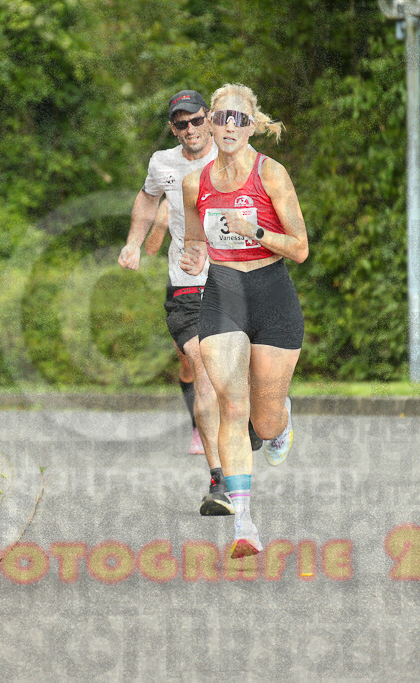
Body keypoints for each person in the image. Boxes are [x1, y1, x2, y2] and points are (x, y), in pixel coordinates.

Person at [180, 83, 309, 559]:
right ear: (210, 124)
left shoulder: (271, 174)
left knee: (265, 420)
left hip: (272, 292)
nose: (229, 125)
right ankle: (245, 527)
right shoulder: (197, 182)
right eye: (221, 117)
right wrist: (194, 258)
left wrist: (253, 228)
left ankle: (283, 420)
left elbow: (300, 248)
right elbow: (196, 240)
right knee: (233, 407)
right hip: (224, 294)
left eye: (239, 118)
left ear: (251, 125)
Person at [118, 89, 233, 516]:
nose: (190, 130)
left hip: (235, 277)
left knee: (240, 373)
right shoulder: (161, 163)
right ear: (173, 128)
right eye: (181, 124)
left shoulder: (232, 155)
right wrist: (133, 244)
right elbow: (149, 198)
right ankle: (218, 479)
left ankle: (264, 418)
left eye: (197, 121)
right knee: (198, 362)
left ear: (210, 119)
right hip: (186, 280)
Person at [144, 199, 205, 456]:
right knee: (188, 362)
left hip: (220, 278)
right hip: (183, 283)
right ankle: (198, 428)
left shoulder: (219, 187)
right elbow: (150, 248)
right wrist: (161, 224)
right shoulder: (170, 197)